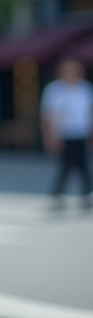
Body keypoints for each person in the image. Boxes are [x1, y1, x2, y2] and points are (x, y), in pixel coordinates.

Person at [40, 58, 93, 211]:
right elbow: (47, 116)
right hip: (63, 134)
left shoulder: (85, 89)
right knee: (65, 166)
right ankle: (57, 195)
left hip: (81, 133)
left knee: (83, 166)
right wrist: (49, 137)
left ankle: (87, 195)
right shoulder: (54, 90)